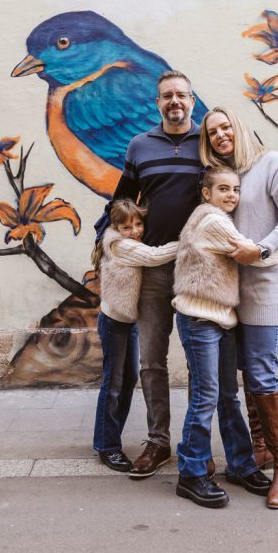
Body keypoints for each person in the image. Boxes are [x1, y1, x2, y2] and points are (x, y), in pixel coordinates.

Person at [199, 107, 278, 510]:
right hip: (229, 288)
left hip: (265, 283)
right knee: (245, 369)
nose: (221, 135)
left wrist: (260, 248)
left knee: (262, 371)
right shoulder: (223, 176)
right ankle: (258, 447)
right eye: (213, 132)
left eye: (226, 127)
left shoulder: (273, 163)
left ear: (240, 128)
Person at [102, 70, 204, 479]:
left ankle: (196, 445)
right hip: (154, 272)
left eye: (181, 94)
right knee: (151, 362)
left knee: (203, 363)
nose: (174, 101)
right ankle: (158, 441)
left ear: (192, 100)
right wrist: (108, 243)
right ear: (157, 103)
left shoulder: (210, 142)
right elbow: (122, 201)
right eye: (167, 96)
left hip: (200, 272)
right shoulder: (139, 145)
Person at [171, 166, 278, 508]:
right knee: (206, 396)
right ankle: (191, 473)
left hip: (220, 318)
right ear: (206, 193)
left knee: (227, 395)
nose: (232, 195)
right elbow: (253, 253)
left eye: (236, 190)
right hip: (200, 320)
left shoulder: (210, 218)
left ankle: (240, 464)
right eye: (223, 189)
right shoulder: (213, 221)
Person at [90, 199, 178, 472]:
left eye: (139, 224)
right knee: (114, 383)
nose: (135, 230)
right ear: (115, 227)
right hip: (115, 322)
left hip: (128, 321)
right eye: (127, 226)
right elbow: (153, 256)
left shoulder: (129, 239)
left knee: (127, 380)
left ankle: (108, 438)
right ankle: (107, 446)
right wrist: (188, 240)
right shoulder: (119, 244)